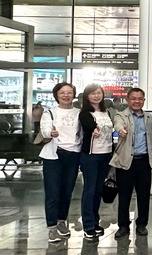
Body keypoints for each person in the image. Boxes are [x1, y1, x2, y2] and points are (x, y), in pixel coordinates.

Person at [111, 87, 152, 239]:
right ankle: (123, 226)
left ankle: (142, 224)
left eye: (140, 99)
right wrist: (120, 130)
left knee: (144, 195)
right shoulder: (121, 115)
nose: (137, 101)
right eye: (133, 98)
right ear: (127, 100)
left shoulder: (149, 118)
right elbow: (117, 124)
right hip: (126, 162)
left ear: (144, 100)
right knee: (124, 195)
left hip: (144, 162)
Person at [40, 83, 81, 243]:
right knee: (52, 192)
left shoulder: (79, 113)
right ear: (56, 95)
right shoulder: (50, 112)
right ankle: (52, 227)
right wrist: (50, 133)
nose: (66, 95)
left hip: (73, 155)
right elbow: (44, 130)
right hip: (54, 156)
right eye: (62, 92)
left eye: (69, 92)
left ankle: (61, 221)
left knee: (67, 191)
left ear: (74, 94)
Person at [79, 83, 115, 240]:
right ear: (87, 96)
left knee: (98, 189)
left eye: (98, 93)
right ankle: (88, 225)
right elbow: (89, 126)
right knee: (90, 189)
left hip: (106, 154)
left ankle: (95, 221)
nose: (96, 96)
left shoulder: (106, 112)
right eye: (92, 93)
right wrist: (93, 130)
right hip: (91, 156)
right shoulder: (85, 113)